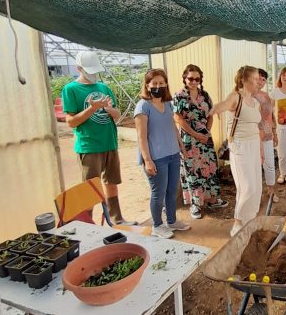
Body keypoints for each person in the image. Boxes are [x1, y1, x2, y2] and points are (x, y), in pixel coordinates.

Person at [62, 51, 136, 225]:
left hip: (109, 142)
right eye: (89, 70)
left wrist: (109, 109)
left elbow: (116, 114)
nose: (93, 74)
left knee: (111, 182)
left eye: (95, 70)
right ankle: (87, 224)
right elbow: (71, 122)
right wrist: (92, 108)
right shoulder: (71, 89)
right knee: (90, 188)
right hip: (89, 146)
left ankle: (117, 218)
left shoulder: (104, 88)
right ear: (78, 68)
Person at [134, 69, 190, 238]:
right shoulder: (143, 106)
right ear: (147, 85)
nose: (158, 86)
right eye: (154, 83)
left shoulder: (167, 104)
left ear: (166, 84)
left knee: (172, 190)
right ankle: (157, 225)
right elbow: (141, 137)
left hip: (172, 154)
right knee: (158, 193)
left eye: (161, 83)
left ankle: (171, 221)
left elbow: (173, 127)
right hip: (156, 158)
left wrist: (181, 147)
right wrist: (147, 160)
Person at [209, 66, 263, 236]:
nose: (258, 82)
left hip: (254, 145)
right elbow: (223, 105)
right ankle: (238, 222)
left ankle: (250, 219)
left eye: (259, 79)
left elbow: (256, 127)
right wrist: (215, 109)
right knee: (246, 187)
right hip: (240, 146)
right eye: (255, 79)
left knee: (256, 187)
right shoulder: (235, 97)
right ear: (244, 80)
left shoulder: (256, 102)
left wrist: (260, 150)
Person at [173, 64, 227, 220]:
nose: (194, 81)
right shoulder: (179, 96)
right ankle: (195, 204)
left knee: (209, 168)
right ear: (185, 78)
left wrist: (207, 132)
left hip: (205, 138)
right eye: (190, 78)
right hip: (189, 140)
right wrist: (196, 134)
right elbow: (178, 118)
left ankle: (211, 199)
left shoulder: (205, 95)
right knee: (193, 171)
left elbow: (210, 114)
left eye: (197, 79)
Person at [253, 68, 279, 203]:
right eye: (259, 78)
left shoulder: (266, 96)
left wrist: (274, 133)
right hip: (253, 137)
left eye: (264, 79)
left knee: (269, 163)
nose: (262, 81)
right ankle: (255, 193)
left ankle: (271, 190)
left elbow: (271, 115)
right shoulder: (247, 96)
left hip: (267, 135)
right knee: (255, 165)